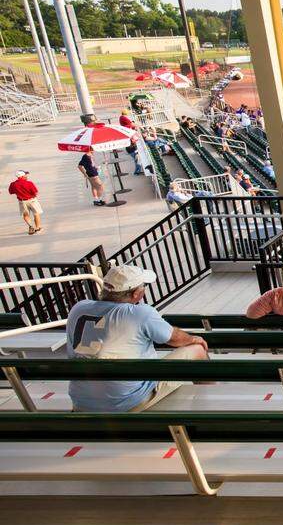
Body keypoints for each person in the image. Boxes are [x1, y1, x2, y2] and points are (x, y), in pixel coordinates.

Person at [66, 264, 210, 412]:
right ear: (136, 294)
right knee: (197, 350)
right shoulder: (139, 314)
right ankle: (213, 401)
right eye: (144, 286)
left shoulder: (78, 308)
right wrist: (193, 339)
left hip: (81, 403)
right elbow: (175, 338)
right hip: (126, 403)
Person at [8, 169, 43, 235]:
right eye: (25, 175)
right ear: (22, 176)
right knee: (36, 213)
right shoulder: (29, 183)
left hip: (22, 202)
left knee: (26, 215)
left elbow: (11, 192)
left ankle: (31, 226)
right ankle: (38, 228)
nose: (26, 176)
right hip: (32, 200)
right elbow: (35, 192)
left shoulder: (13, 184)